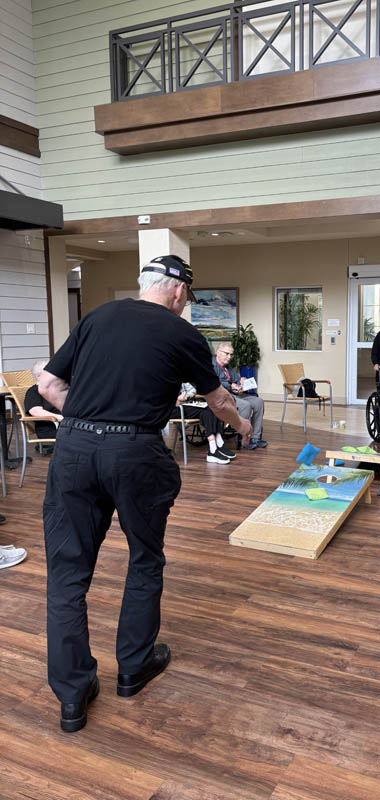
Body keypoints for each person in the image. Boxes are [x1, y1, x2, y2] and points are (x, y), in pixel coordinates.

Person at [37, 254, 252, 734]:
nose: (185, 304)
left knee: (67, 575)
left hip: (73, 448)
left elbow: (47, 383)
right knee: (143, 558)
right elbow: (216, 398)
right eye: (187, 297)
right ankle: (133, 667)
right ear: (177, 291)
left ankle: (72, 698)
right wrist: (242, 423)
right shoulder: (182, 334)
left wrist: (90, 422)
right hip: (135, 454)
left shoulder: (96, 317)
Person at [213, 342, 267, 450]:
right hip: (223, 396)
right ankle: (243, 437)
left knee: (259, 402)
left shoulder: (227, 367)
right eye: (227, 354)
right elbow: (213, 382)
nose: (229, 357)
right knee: (245, 405)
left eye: (231, 355)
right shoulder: (212, 366)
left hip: (234, 394)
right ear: (218, 352)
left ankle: (255, 437)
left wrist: (241, 381)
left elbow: (235, 379)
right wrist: (230, 385)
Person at [176, 382, 236, 464]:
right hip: (174, 408)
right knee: (209, 409)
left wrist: (187, 396)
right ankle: (217, 446)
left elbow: (192, 390)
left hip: (185, 404)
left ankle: (214, 448)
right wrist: (178, 399)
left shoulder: (178, 375)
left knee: (211, 408)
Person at [25, 359, 63, 440]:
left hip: (66, 426)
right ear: (39, 376)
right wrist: (62, 418)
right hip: (51, 428)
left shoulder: (56, 389)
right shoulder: (33, 392)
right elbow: (36, 412)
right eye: (50, 372)